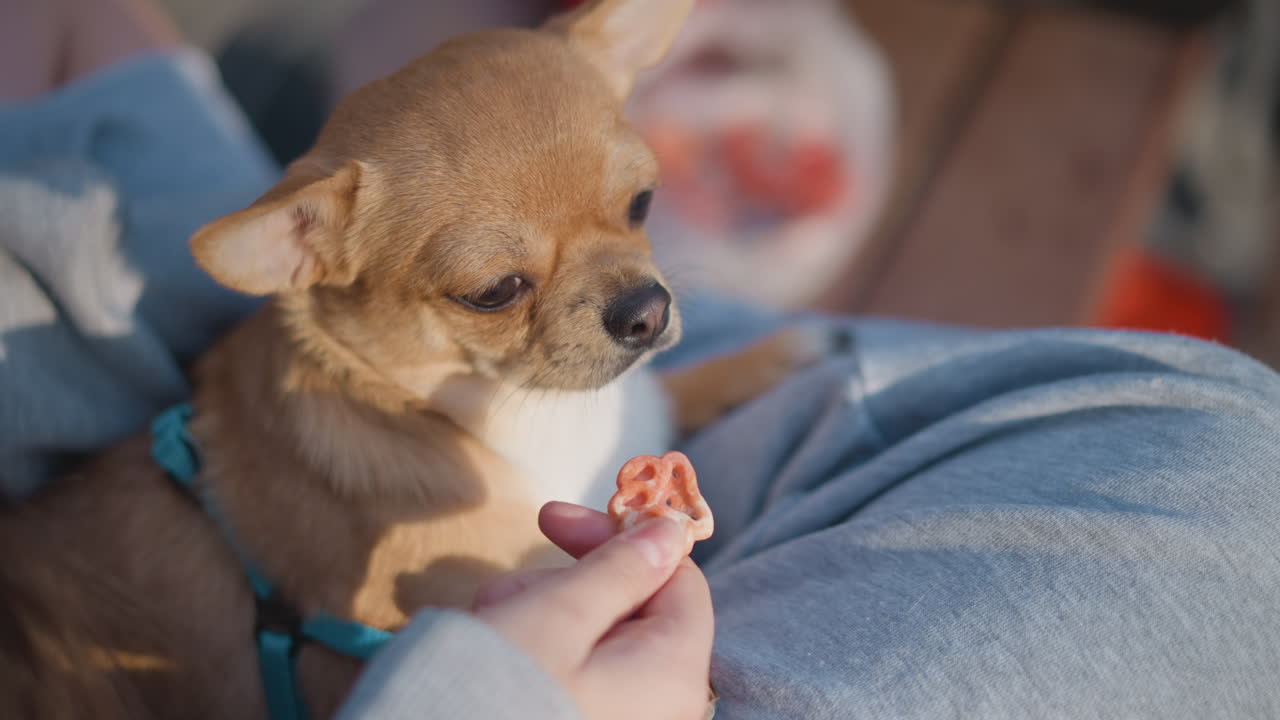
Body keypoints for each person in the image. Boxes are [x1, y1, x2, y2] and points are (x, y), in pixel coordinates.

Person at [3, 1, 1280, 719]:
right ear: (310, 249)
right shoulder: (405, 529)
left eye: (634, 204)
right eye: (502, 286)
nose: (631, 293)